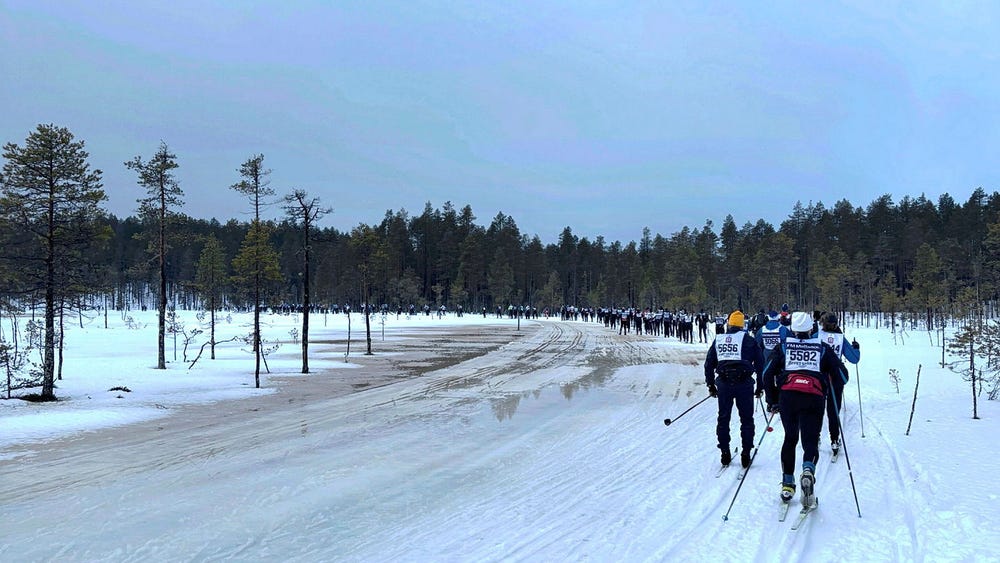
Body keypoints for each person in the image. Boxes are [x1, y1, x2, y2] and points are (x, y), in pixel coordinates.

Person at [764, 311, 848, 508]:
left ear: (792, 328)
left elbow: (767, 374)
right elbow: (843, 377)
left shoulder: (784, 346)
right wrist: (828, 378)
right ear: (812, 328)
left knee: (790, 439)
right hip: (814, 398)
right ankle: (808, 470)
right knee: (810, 440)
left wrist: (772, 399)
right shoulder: (822, 348)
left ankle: (787, 484)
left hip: (788, 398)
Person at [704, 310, 765, 469]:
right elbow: (760, 365)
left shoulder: (719, 339)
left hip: (724, 384)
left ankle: (724, 451)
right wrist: (760, 387)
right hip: (744, 384)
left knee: (723, 418)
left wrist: (711, 385)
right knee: (747, 419)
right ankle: (746, 452)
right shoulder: (749, 341)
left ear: (729, 324)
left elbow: (709, 364)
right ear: (742, 325)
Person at [816, 312, 860, 457]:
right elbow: (854, 359)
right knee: (833, 410)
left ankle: (815, 438)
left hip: (818, 376)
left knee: (817, 409)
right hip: (835, 377)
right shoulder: (840, 338)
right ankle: (834, 439)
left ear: (822, 323)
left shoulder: (816, 335)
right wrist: (856, 348)